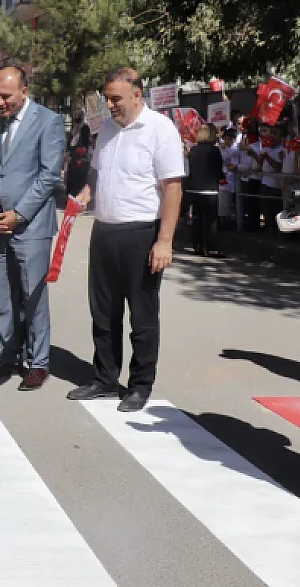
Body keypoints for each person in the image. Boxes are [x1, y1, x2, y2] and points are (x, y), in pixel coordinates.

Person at [70, 67, 185, 413]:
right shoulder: (105, 129)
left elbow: (173, 189)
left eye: (116, 98)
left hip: (141, 233)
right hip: (104, 231)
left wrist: (164, 241)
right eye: (107, 98)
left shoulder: (160, 130)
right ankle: (105, 378)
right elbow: (101, 172)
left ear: (137, 94)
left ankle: (139, 385)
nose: (110, 105)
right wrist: (88, 193)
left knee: (142, 316)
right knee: (103, 312)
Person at [0, 66, 64, 391]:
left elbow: (49, 175)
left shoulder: (48, 122)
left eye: (6, 96)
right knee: (2, 295)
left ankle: (38, 363)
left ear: (24, 91)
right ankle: (6, 356)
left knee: (32, 294)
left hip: (31, 226)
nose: (0, 102)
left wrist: (19, 213)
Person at [185, 123, 225, 257]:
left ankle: (197, 245)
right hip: (210, 189)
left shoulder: (193, 150)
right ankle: (212, 247)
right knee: (211, 220)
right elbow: (217, 169)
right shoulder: (214, 150)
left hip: (194, 189)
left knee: (197, 218)